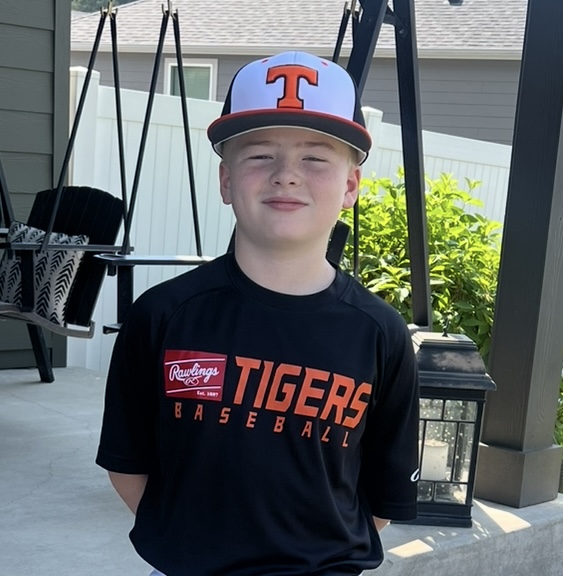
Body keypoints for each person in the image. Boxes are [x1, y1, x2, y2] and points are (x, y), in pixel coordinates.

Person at [96, 51, 420, 576]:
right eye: (260, 155)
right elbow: (128, 466)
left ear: (350, 187)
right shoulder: (162, 316)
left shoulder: (381, 334)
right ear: (226, 181)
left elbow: (381, 498)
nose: (286, 176)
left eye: (315, 158)